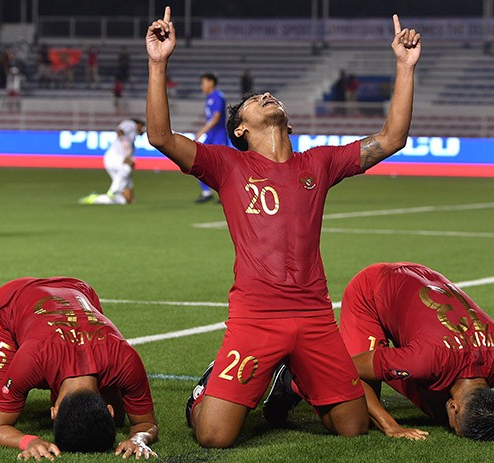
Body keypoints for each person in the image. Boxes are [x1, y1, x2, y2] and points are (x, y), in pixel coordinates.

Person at [145, 6, 421, 449]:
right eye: (255, 99)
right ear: (239, 129)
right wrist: (158, 62)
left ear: (289, 123)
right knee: (214, 436)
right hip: (256, 317)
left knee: (352, 427)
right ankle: (213, 384)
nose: (266, 95)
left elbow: (391, 139)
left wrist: (404, 68)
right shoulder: (227, 165)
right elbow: (160, 136)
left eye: (269, 95)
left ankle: (288, 381)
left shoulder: (319, 163)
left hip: (314, 318)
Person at [263, 262, 494, 442]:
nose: (452, 427)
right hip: (372, 289)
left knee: (433, 410)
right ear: (455, 405)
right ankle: (292, 378)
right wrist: (391, 426)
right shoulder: (425, 361)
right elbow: (345, 367)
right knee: (354, 415)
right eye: (456, 424)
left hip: (420, 278)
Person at [0, 276, 159, 460]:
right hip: (14, 300)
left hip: (78, 293)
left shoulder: (125, 359)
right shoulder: (32, 359)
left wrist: (139, 438)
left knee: (113, 424)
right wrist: (28, 441)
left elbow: (146, 425)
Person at [79, 118, 145, 205]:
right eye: (143, 127)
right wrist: (125, 147)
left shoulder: (132, 142)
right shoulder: (131, 124)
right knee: (127, 168)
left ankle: (95, 199)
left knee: (126, 200)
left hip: (117, 162)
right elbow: (119, 131)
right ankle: (113, 191)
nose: (143, 130)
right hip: (114, 157)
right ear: (138, 124)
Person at [193, 72, 227, 203]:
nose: (202, 86)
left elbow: (216, 118)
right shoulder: (210, 98)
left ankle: (223, 193)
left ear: (211, 82)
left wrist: (202, 131)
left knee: (220, 167)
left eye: (203, 82)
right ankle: (206, 192)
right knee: (197, 161)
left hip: (218, 136)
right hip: (211, 136)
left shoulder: (217, 97)